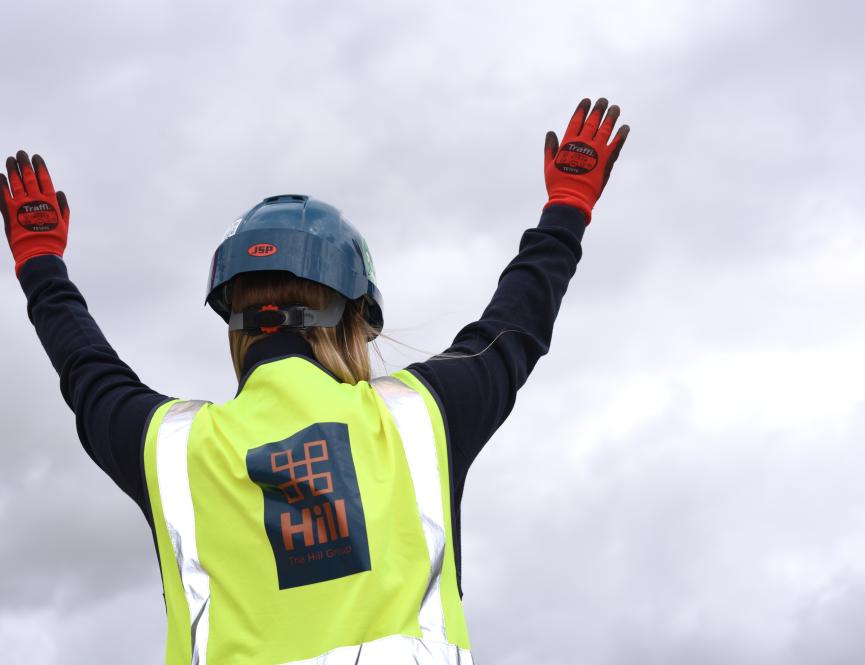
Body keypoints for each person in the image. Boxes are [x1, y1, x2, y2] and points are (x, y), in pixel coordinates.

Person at [1, 97, 629, 664]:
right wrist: (567, 209)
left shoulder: (172, 451)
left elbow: (88, 373)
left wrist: (39, 263)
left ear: (236, 327)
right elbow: (514, 326)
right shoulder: (417, 419)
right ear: (355, 320)